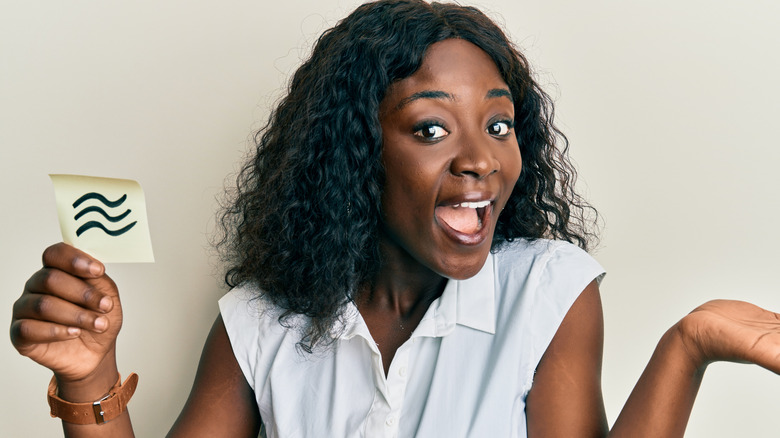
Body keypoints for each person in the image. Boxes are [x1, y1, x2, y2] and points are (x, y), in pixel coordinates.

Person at [10, 1, 780, 437]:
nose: (482, 159)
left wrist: (689, 345)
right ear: (356, 152)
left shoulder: (547, 292)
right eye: (432, 129)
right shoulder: (261, 322)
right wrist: (91, 377)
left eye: (500, 126)